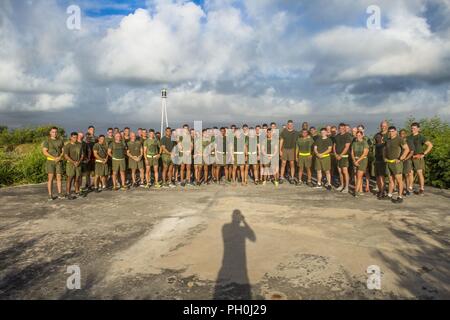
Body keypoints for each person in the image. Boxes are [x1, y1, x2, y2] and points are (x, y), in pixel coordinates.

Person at [384, 126, 410, 203]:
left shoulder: (399, 139)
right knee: (391, 180)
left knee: (399, 180)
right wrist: (384, 157)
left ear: (395, 131)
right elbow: (385, 150)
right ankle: (389, 195)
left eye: (392, 131)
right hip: (389, 162)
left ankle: (400, 197)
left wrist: (401, 158)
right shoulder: (388, 140)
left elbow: (407, 149)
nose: (391, 133)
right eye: (389, 131)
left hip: (397, 163)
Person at [409, 122, 433, 196]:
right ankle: (410, 188)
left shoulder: (421, 137)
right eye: (412, 128)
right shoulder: (409, 137)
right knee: (410, 173)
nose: (412, 129)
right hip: (410, 157)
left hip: (418, 157)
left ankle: (421, 189)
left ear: (418, 129)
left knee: (419, 173)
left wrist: (423, 154)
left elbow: (430, 145)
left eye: (414, 128)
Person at [42, 127, 65, 201]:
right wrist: (54, 158)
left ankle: (60, 193)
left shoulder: (60, 141)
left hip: (59, 161)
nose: (54, 133)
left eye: (55, 132)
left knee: (59, 178)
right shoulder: (47, 141)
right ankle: (50, 195)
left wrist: (60, 157)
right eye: (53, 132)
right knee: (50, 178)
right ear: (50, 132)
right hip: (50, 161)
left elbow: (63, 151)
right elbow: (45, 152)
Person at [334, 123, 352, 193]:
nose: (341, 129)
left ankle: (346, 187)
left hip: (344, 157)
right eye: (340, 128)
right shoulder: (337, 136)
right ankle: (342, 185)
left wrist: (340, 155)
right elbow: (334, 145)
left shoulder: (347, 136)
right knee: (340, 172)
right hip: (337, 156)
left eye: (342, 128)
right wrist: (335, 154)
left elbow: (347, 147)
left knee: (345, 172)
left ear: (345, 128)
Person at [64, 132, 83, 198]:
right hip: (70, 164)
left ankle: (77, 191)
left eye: (76, 137)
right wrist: (73, 162)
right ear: (71, 137)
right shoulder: (67, 146)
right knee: (70, 178)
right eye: (74, 137)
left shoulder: (80, 145)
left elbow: (82, 155)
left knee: (77, 178)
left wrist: (79, 162)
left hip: (78, 164)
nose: (75, 139)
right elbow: (66, 156)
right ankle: (68, 193)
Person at [351, 131, 369, 197]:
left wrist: (357, 161)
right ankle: (360, 190)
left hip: (362, 160)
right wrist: (354, 160)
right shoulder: (354, 143)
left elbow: (365, 153)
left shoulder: (365, 142)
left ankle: (356, 191)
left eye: (359, 135)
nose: (358, 136)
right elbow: (352, 153)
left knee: (359, 176)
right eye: (357, 135)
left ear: (362, 135)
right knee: (357, 176)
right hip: (355, 160)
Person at [400, 129, 415, 196]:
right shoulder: (399, 141)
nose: (401, 134)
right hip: (400, 160)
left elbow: (411, 152)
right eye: (400, 133)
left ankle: (409, 189)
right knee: (402, 175)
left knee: (407, 174)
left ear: (406, 134)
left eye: (403, 133)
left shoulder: (409, 141)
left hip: (407, 160)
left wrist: (406, 158)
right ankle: (403, 189)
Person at [373, 133, 387, 199]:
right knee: (377, 178)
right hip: (376, 162)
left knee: (382, 178)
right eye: (377, 137)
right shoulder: (375, 145)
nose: (378, 138)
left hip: (382, 162)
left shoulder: (384, 144)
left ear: (382, 137)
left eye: (379, 137)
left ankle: (383, 192)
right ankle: (380, 190)